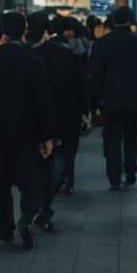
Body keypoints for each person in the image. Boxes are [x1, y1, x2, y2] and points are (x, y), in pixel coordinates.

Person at [0, 12, 56, 248]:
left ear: (2, 31)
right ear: (24, 30)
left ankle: (6, 228)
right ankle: (26, 219)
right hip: (27, 129)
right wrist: (46, 135)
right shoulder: (34, 59)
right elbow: (43, 100)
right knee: (28, 180)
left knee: (0, 183)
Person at [27, 10, 84, 227]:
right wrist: (84, 109)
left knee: (37, 162)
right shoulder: (65, 53)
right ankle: (44, 201)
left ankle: (37, 203)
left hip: (32, 116)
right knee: (61, 158)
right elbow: (79, 84)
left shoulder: (27, 54)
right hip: (64, 114)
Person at [87, 5, 137, 188]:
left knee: (112, 139)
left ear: (113, 21)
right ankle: (130, 171)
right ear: (130, 21)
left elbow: (94, 74)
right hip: (135, 101)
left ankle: (114, 178)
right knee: (131, 138)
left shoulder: (101, 43)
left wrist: (96, 101)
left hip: (109, 100)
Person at [52, 16, 89, 198]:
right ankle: (69, 180)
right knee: (70, 148)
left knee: (53, 147)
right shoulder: (72, 53)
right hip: (70, 108)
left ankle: (53, 181)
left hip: (50, 108)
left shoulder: (41, 51)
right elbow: (80, 83)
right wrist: (85, 110)